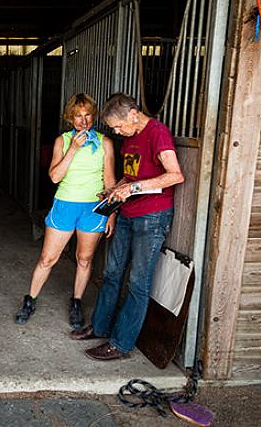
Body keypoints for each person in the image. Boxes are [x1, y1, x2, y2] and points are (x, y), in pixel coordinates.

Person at [70, 93, 184, 361]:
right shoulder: (131, 137)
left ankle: (121, 344)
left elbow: (175, 175)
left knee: (137, 282)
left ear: (134, 113)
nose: (117, 132)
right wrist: (116, 189)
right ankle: (100, 327)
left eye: (119, 126)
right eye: (114, 129)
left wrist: (133, 188)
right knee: (111, 273)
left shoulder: (158, 133)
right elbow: (133, 175)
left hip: (152, 217)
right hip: (128, 212)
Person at [15, 93, 116, 329]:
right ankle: (30, 300)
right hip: (65, 204)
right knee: (47, 258)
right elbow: (54, 176)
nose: (83, 121)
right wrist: (73, 148)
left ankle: (77, 301)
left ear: (94, 116)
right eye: (78, 116)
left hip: (94, 208)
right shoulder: (62, 141)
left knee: (84, 258)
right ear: (70, 118)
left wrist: (112, 213)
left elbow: (110, 181)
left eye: (87, 115)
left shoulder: (105, 143)